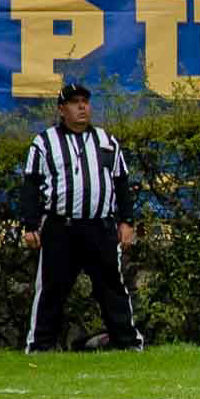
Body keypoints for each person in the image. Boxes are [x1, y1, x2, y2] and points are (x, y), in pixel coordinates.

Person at [20, 83, 145, 353]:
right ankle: (40, 345)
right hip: (60, 226)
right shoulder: (44, 142)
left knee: (111, 286)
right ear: (61, 109)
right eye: (74, 102)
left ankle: (127, 342)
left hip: (99, 226)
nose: (81, 107)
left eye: (85, 102)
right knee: (51, 288)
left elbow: (122, 182)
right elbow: (31, 185)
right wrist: (30, 225)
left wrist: (127, 221)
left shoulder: (106, 140)